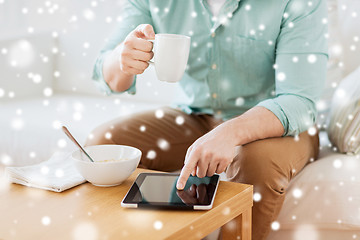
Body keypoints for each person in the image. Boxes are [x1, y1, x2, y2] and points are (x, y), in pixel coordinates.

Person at [88, 0, 328, 239]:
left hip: (274, 123)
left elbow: (299, 101)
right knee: (103, 145)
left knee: (256, 162)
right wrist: (123, 57)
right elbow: (108, 77)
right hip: (194, 114)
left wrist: (229, 133)